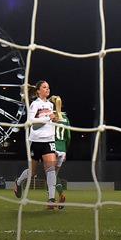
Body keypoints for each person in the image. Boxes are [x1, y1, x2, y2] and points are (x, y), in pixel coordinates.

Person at [14, 81, 59, 210]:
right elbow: (31, 121)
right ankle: (18, 182)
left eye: (48, 87)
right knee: (33, 172)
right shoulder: (35, 104)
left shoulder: (51, 105)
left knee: (50, 168)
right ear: (38, 91)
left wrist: (54, 119)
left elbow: (50, 121)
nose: (47, 89)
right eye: (44, 87)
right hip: (35, 141)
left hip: (49, 140)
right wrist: (48, 118)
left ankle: (51, 199)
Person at [49, 95, 70, 210]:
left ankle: (56, 198)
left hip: (52, 147)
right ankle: (56, 198)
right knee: (54, 175)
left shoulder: (50, 116)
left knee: (50, 175)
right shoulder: (65, 118)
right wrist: (65, 151)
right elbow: (68, 136)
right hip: (62, 149)